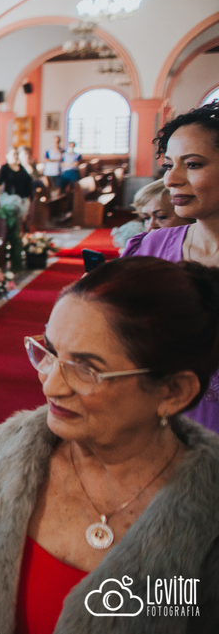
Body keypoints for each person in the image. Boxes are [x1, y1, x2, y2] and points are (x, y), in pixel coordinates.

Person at [0, 258, 219, 632]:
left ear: (174, 391)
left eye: (86, 369)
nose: (51, 385)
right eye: (49, 352)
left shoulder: (209, 525)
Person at [122, 103, 219, 435]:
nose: (171, 180)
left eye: (192, 164)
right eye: (168, 165)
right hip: (159, 431)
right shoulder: (149, 249)